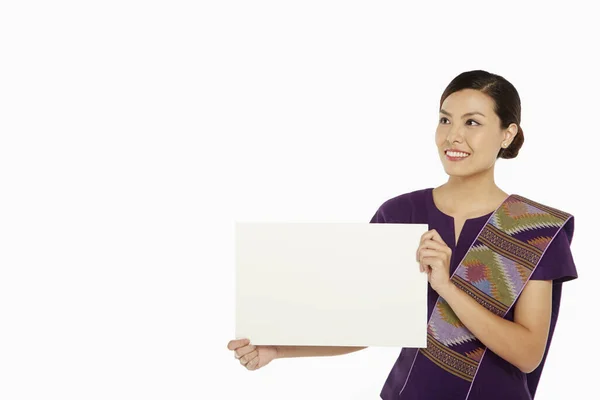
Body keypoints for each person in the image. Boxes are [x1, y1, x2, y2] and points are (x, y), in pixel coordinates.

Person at [226, 70, 578, 399]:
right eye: (445, 120)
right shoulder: (400, 214)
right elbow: (367, 327)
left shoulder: (533, 228)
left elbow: (528, 353)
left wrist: (447, 287)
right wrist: (277, 350)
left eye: (472, 122)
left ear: (508, 133)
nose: (453, 135)